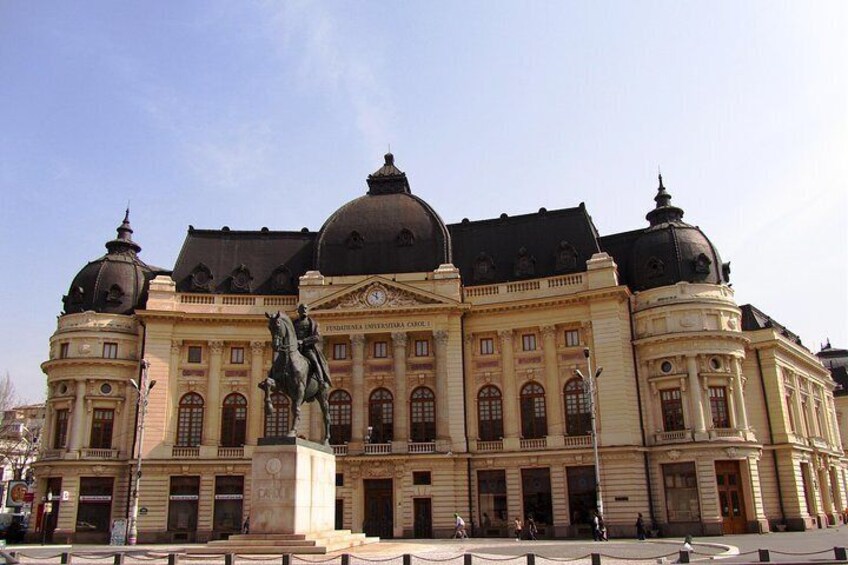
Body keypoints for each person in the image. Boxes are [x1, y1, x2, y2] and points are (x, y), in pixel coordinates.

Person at [293, 303, 332, 387]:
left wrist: (303, 341)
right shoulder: (293, 323)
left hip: (307, 348)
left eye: (306, 309)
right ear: (298, 311)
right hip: (294, 348)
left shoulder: (313, 323)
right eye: (302, 309)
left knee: (315, 362)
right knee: (279, 361)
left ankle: (321, 380)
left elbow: (316, 337)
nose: (304, 310)